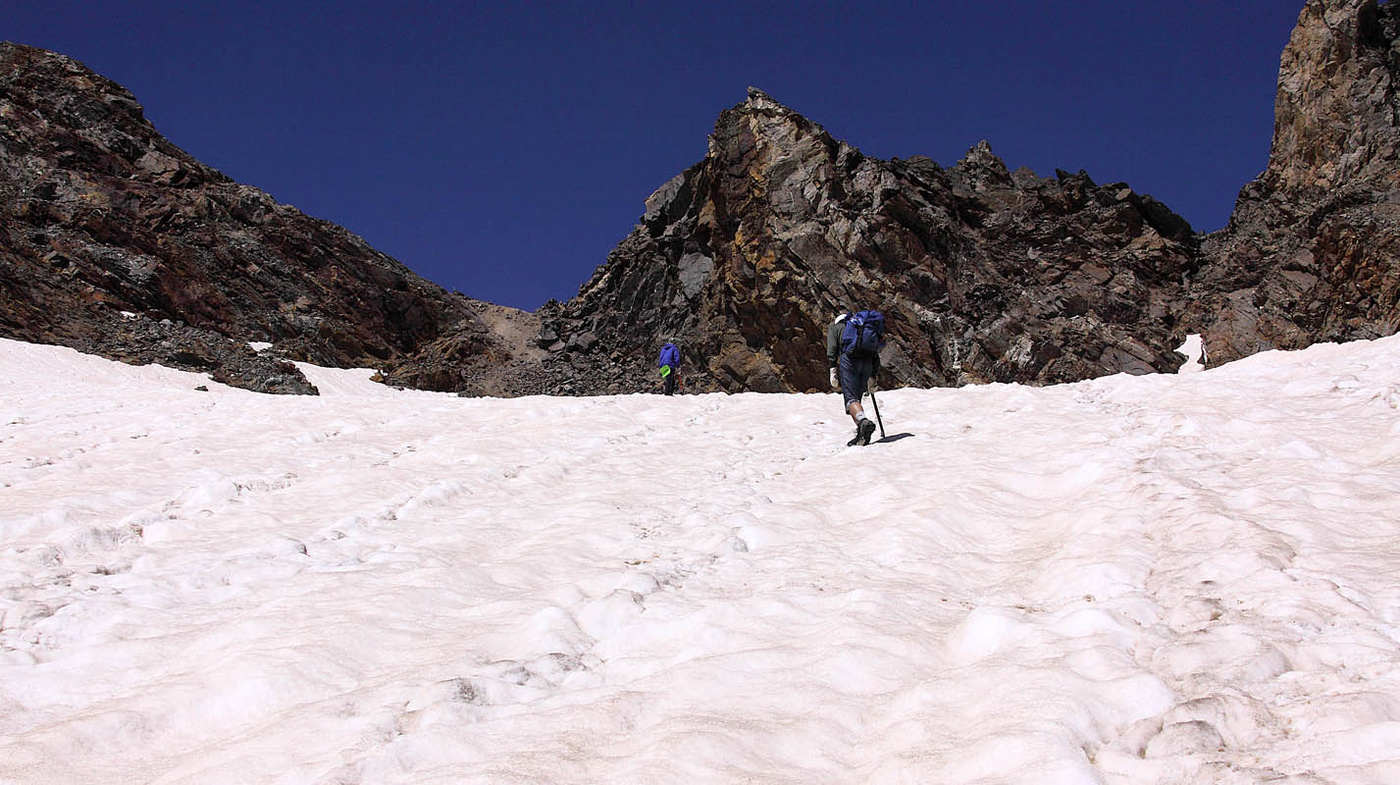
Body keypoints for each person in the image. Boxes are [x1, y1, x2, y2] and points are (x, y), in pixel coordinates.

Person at [827, 310, 884, 445]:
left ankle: (863, 422)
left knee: (851, 398)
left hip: (850, 360)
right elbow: (875, 352)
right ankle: (861, 432)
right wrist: (873, 375)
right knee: (857, 396)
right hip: (868, 361)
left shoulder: (835, 327)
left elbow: (832, 348)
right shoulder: (862, 328)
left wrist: (832, 368)